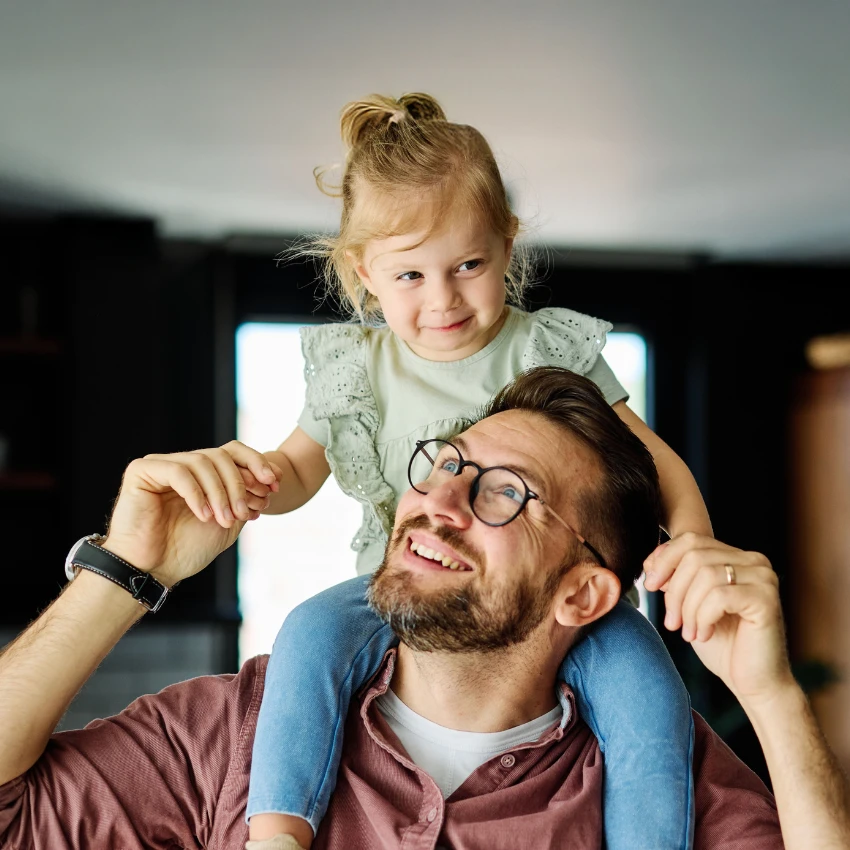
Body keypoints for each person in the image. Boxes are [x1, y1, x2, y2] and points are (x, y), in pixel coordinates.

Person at [1, 368, 848, 850]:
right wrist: (123, 571)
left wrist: (771, 699)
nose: (436, 499)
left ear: (582, 593)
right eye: (444, 463)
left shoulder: (657, 770)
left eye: (504, 494)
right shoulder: (233, 732)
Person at [248, 92, 711, 848]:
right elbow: (298, 469)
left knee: (649, 689)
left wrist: (693, 547)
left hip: (551, 591)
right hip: (389, 588)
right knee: (305, 637)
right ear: (363, 270)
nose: (444, 299)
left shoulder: (545, 351)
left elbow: (661, 469)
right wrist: (253, 480)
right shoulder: (354, 369)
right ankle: (275, 831)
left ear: (508, 244)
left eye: (470, 264)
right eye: (410, 277)